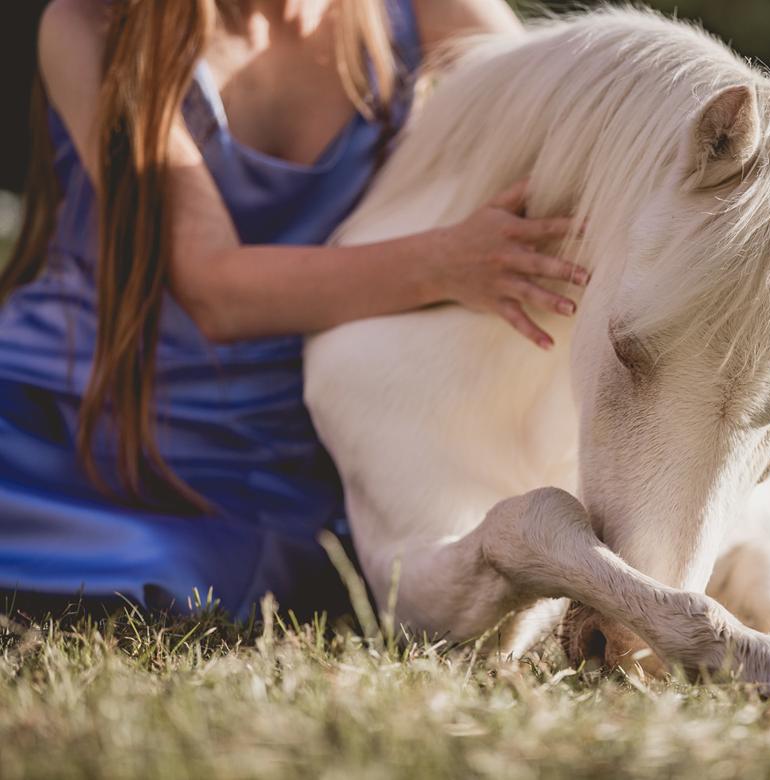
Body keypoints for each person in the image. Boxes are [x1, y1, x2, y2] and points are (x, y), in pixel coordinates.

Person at [0, 0, 586, 620]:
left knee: (230, 576)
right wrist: (447, 262)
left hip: (295, 444)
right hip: (72, 417)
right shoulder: (93, 23)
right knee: (183, 576)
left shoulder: (425, 11)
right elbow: (212, 290)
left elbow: (570, 127)